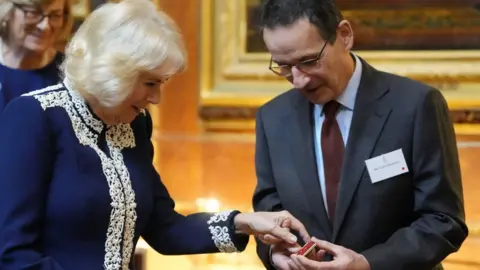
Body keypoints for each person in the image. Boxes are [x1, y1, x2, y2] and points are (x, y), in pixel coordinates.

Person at [0, 0, 310, 269]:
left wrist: (246, 223)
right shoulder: (33, 116)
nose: (157, 98)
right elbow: (11, 252)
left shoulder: (134, 124)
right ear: (113, 72)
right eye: (150, 83)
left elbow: (164, 227)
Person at [252, 0, 469, 269]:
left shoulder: (415, 105)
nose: (299, 80)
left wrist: (368, 263)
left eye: (308, 61)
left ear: (344, 36)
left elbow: (443, 220)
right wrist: (275, 255)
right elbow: (268, 216)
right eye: (283, 66)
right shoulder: (272, 118)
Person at [0, 0, 72, 111]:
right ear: (7, 11)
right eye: (33, 13)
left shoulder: (70, 74)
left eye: (55, 15)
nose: (45, 26)